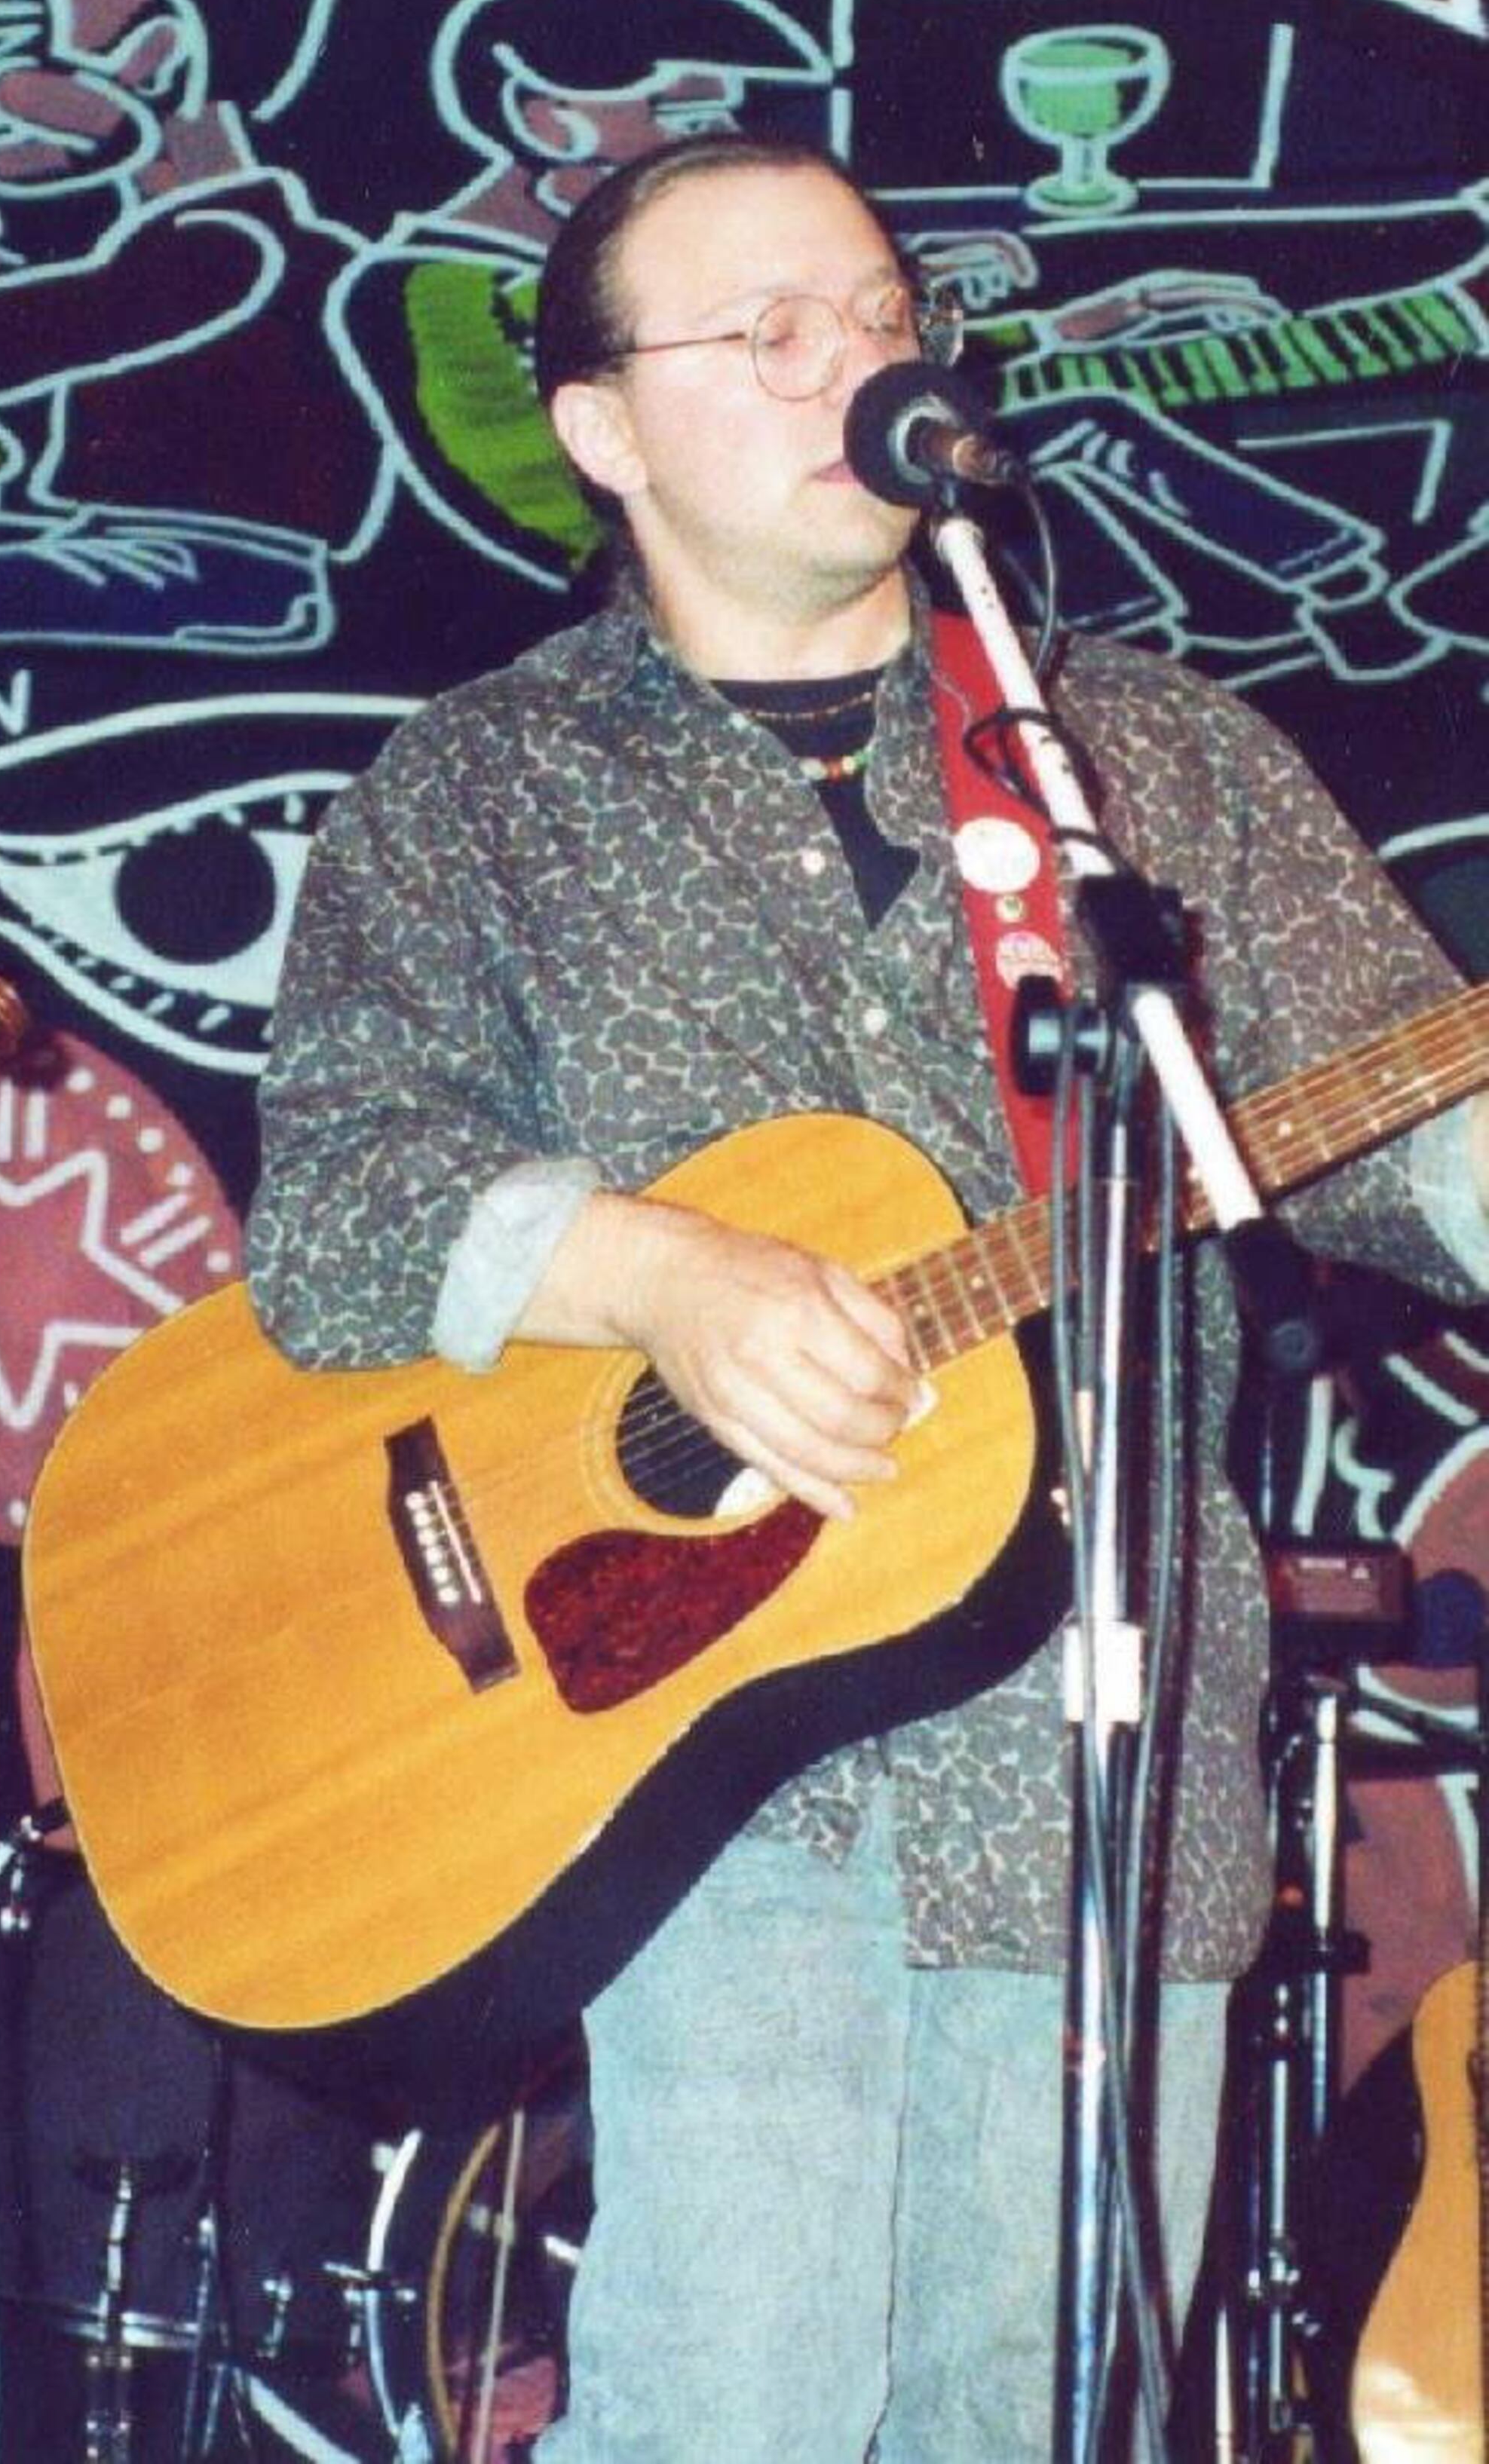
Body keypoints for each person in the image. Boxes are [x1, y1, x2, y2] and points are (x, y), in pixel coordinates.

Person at [244, 128, 1489, 2461]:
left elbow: (1411, 1144)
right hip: (711, 1753)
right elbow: (335, 1212)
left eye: (884, 313)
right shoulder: (480, 792)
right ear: (604, 429)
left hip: (1115, 1744)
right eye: (772, 330)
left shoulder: (1149, 766)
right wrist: (654, 1271)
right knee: (741, 2410)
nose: (860, 361)